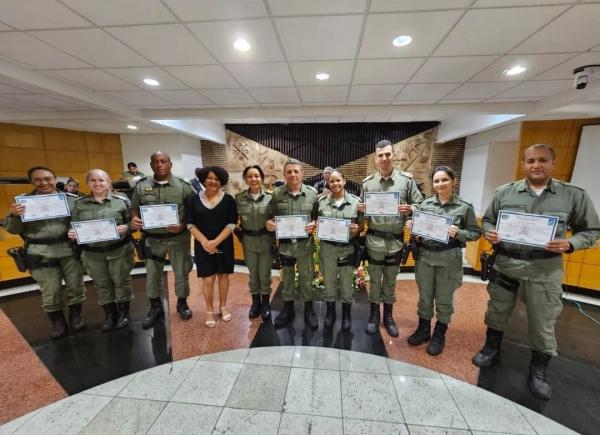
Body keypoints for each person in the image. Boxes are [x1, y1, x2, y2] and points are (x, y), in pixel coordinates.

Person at [472, 144, 599, 400]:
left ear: (553, 163)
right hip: (507, 264)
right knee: (497, 311)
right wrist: (490, 232)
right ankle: (491, 347)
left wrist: (571, 243)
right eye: (531, 161)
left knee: (543, 321)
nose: (536, 165)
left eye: (542, 160)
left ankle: (539, 368)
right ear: (523, 164)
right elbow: (488, 220)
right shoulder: (505, 193)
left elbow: (592, 231)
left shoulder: (573, 195)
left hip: (545, 268)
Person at [4, 166, 86, 338]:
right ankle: (57, 322)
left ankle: (75, 317)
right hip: (40, 252)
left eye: (48, 178)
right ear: (31, 182)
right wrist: (14, 216)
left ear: (55, 179)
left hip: (69, 250)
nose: (44, 183)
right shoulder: (22, 202)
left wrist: (79, 231)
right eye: (38, 179)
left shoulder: (71, 200)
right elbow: (12, 230)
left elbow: (83, 221)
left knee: (76, 286)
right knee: (51, 290)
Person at [407, 166, 481, 355]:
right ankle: (423, 329)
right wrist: (413, 226)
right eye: (437, 181)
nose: (440, 184)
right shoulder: (426, 204)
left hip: (449, 258)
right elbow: (419, 231)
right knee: (424, 296)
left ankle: (439, 333)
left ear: (453, 181)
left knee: (444, 299)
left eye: (444, 180)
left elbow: (475, 233)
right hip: (425, 257)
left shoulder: (464, 206)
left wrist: (459, 233)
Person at [360, 140, 423, 337]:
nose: (385, 158)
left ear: (393, 155)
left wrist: (411, 209)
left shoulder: (406, 181)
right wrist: (360, 210)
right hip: (374, 241)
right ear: (376, 157)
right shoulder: (368, 183)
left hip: (396, 241)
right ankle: (373, 316)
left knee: (390, 281)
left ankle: (388, 316)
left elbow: (420, 203)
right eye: (381, 155)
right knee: (375, 280)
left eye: (388, 154)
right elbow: (362, 214)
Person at [131, 151, 195, 328]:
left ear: (170, 164)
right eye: (156, 162)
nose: (160, 164)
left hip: (178, 239)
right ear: (151, 165)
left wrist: (183, 224)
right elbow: (134, 208)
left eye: (163, 161)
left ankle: (182, 303)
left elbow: (193, 212)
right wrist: (134, 218)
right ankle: (155, 307)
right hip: (152, 240)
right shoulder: (141, 186)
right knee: (152, 275)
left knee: (181, 273)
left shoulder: (184, 186)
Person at [68, 169, 135, 332]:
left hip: (119, 250)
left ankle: (123, 314)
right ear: (88, 183)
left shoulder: (122, 201)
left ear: (108, 182)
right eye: (93, 180)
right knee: (102, 284)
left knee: (121, 281)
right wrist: (72, 233)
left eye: (101, 180)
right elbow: (73, 225)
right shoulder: (79, 204)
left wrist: (126, 227)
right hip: (92, 253)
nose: (97, 184)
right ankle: (110, 315)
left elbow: (134, 224)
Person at [266, 159, 319, 329]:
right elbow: (269, 216)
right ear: (284, 174)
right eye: (289, 172)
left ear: (302, 174)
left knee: (307, 278)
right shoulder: (276, 195)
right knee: (287, 278)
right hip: (286, 246)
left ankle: (309, 310)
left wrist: (315, 224)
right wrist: (269, 223)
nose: (293, 175)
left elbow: (317, 216)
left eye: (296, 171)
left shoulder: (312, 193)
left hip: (305, 246)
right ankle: (288, 309)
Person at [187, 166, 237, 327]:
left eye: (217, 179)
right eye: (210, 178)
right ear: (203, 179)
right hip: (203, 246)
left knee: (223, 276)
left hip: (224, 244)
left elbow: (232, 223)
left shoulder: (229, 200)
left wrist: (215, 242)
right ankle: (209, 310)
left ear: (221, 181)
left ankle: (223, 307)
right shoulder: (194, 200)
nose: (213, 182)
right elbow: (190, 224)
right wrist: (206, 243)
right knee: (208, 278)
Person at [317, 170, 362, 330]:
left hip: (347, 249)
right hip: (328, 249)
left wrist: (358, 228)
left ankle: (346, 315)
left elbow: (362, 225)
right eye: (331, 181)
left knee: (346, 284)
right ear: (328, 184)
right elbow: (315, 221)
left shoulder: (356, 202)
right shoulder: (321, 202)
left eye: (338, 180)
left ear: (344, 181)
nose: (335, 184)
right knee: (329, 282)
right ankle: (330, 313)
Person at [235, 165, 274, 321]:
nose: (254, 179)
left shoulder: (271, 197)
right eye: (250, 176)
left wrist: (272, 223)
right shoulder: (239, 198)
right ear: (245, 179)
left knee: (265, 274)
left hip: (266, 241)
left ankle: (265, 304)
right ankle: (255, 303)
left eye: (257, 176)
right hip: (248, 242)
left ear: (262, 178)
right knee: (253, 275)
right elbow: (231, 219)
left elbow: (279, 216)